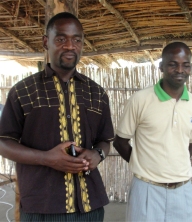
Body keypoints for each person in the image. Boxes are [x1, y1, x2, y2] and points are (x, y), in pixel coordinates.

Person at [0, 12, 114, 221]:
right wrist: (46, 158)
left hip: (90, 206)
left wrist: (98, 154)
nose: (70, 46)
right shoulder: (23, 91)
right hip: (41, 207)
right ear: (46, 42)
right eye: (61, 39)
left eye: (76, 40)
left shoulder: (97, 93)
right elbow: (3, 142)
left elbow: (105, 140)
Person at [113, 42, 192, 222]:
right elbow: (120, 142)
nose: (180, 70)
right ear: (161, 66)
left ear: (191, 68)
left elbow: (191, 145)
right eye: (172, 64)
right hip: (146, 189)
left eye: (185, 65)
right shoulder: (140, 100)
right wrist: (144, 165)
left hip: (183, 191)